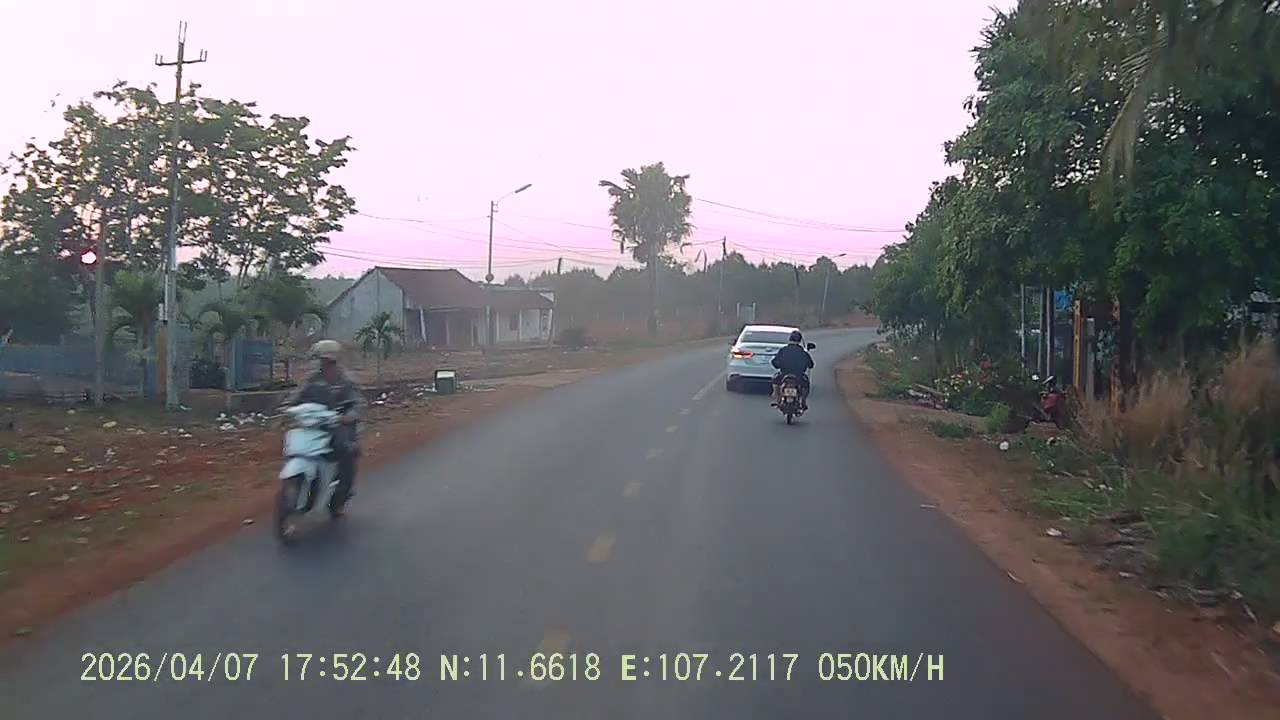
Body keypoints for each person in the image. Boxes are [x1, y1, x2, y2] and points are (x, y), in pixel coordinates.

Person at [285, 339, 365, 516]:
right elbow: (296, 396)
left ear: (334, 360)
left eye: (327, 360)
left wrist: (349, 416)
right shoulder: (312, 379)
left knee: (347, 452)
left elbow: (358, 404)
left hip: (340, 425)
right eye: (321, 360)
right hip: (316, 424)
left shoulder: (346, 380)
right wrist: (286, 408)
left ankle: (339, 498)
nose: (324, 364)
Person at [770, 330, 814, 409]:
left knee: (775, 381)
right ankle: (803, 401)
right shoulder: (803, 352)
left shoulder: (783, 350)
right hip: (799, 376)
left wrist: (780, 365)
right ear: (799, 340)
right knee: (806, 385)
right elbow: (811, 365)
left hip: (784, 374)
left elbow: (774, 362)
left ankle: (777, 399)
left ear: (790, 339)